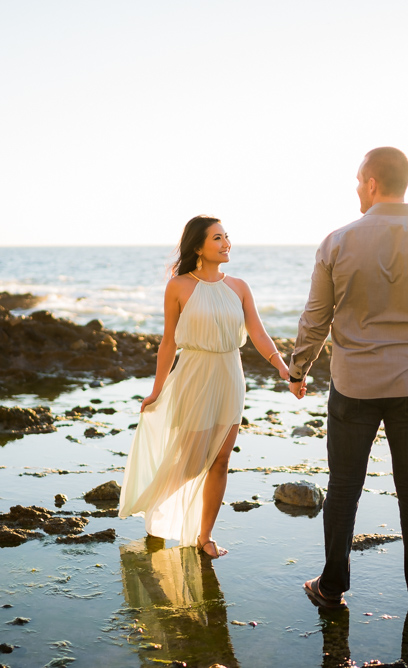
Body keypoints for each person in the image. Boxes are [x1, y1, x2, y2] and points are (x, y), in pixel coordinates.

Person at [289, 147, 408, 612]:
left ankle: (331, 588)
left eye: (357, 180)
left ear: (371, 182)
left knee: (344, 486)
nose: (356, 189)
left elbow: (316, 316)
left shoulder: (337, 241)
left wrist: (298, 368)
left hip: (353, 387)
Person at [119, 215, 290, 558]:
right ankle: (153, 498)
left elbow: (257, 332)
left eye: (227, 236)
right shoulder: (179, 286)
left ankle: (205, 535)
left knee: (221, 460)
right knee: (192, 461)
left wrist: (284, 370)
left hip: (231, 374)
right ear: (198, 246)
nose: (226, 243)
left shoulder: (239, 287)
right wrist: (156, 389)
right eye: (217, 238)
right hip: (194, 376)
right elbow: (168, 342)